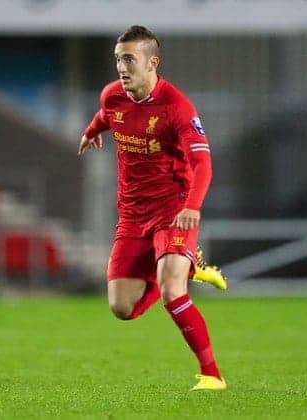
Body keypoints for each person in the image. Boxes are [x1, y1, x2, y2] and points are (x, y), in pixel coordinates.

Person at [78, 25, 226, 391]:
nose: (122, 67)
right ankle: (190, 266)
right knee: (121, 308)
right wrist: (92, 130)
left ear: (152, 62)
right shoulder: (113, 96)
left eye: (129, 59)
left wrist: (192, 205)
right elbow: (107, 115)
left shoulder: (177, 107)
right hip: (131, 216)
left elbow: (203, 164)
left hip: (174, 211)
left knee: (172, 291)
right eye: (117, 60)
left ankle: (212, 375)